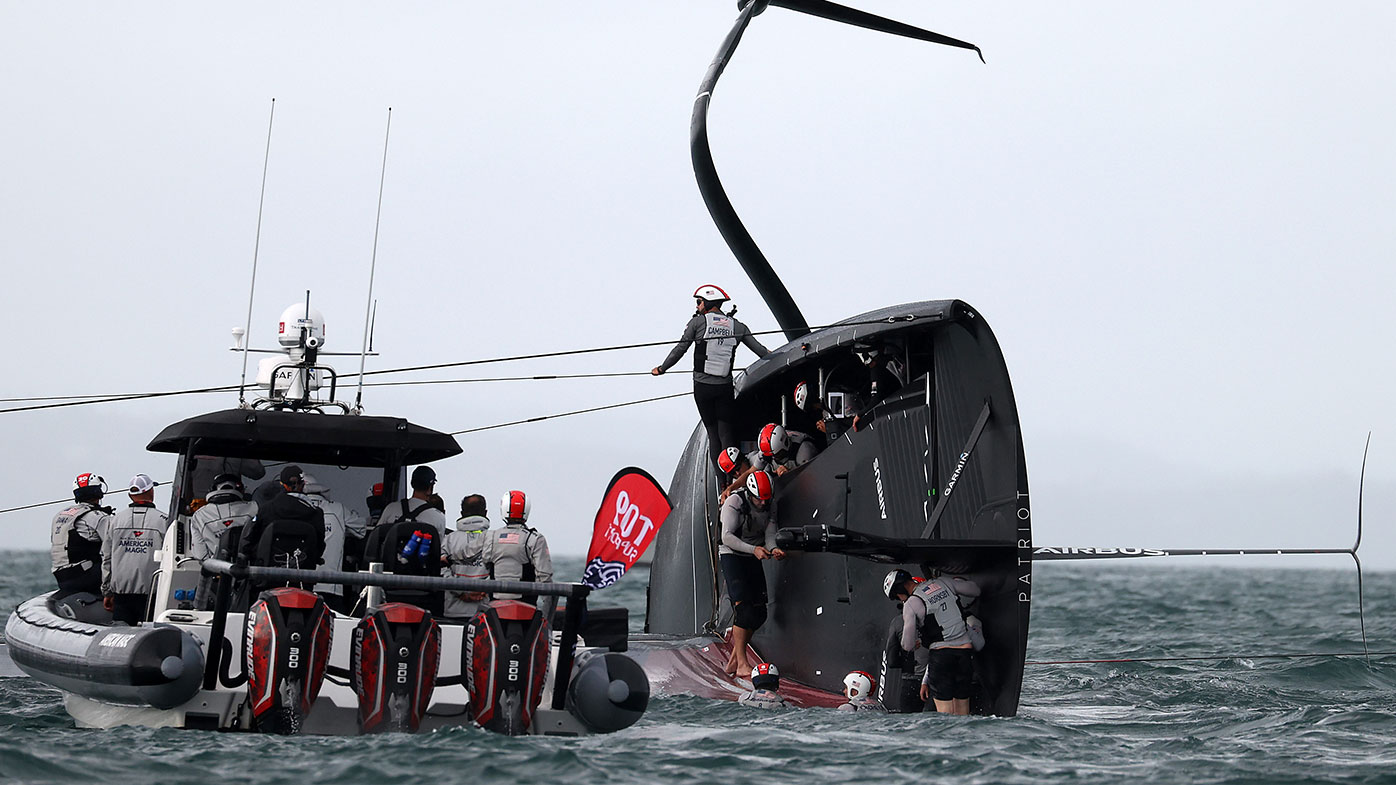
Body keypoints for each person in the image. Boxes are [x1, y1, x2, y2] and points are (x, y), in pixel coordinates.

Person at [652, 284, 770, 471]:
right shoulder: (738, 326)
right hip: (724, 388)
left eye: (699, 302)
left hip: (702, 387)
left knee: (713, 434)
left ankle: (721, 480)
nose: (697, 306)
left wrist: (662, 368)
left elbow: (680, 349)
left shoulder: (697, 323)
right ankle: (734, 474)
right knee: (726, 434)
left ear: (708, 302)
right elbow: (762, 352)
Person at [883, 568, 982, 715]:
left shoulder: (911, 603)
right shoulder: (943, 582)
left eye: (897, 596)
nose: (900, 599)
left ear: (899, 590)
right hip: (965, 654)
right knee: (963, 710)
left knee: (945, 713)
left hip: (941, 656)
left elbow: (907, 645)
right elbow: (975, 590)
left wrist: (915, 642)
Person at [718, 470, 784, 677]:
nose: (763, 504)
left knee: (759, 613)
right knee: (744, 610)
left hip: (753, 553)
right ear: (749, 493)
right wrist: (753, 549)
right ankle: (741, 663)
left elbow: (770, 533)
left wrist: (774, 548)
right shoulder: (734, 503)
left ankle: (733, 661)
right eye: (758, 500)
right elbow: (726, 537)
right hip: (732, 554)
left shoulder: (770, 504)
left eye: (766, 499)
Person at [101, 474, 167, 624]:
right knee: (150, 634)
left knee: (121, 633)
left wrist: (107, 592)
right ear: (151, 491)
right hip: (153, 595)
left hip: (121, 594)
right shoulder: (165, 521)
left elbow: (106, 558)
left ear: (130, 495)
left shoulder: (114, 520)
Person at [239, 465, 326, 572]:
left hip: (266, 574)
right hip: (303, 575)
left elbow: (250, 540)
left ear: (282, 485)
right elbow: (319, 548)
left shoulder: (266, 509)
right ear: (303, 484)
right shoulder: (316, 513)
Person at [302, 473, 366, 613]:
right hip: (330, 587)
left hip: (298, 586)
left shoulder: (293, 509)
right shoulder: (338, 509)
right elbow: (362, 530)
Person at [51, 472, 113, 598]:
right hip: (84, 579)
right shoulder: (99, 517)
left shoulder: (60, 514)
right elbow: (114, 546)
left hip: (61, 578)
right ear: (99, 492)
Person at [484, 490, 553, 602]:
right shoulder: (535, 538)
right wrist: (548, 607)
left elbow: (483, 567)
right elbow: (544, 575)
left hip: (494, 603)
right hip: (526, 604)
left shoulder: (491, 537)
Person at [721, 423, 817, 500]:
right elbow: (751, 471)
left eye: (777, 455)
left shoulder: (804, 450)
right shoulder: (767, 451)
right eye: (771, 456)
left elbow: (809, 480)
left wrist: (790, 472)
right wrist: (731, 488)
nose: (774, 458)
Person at [441, 493, 492, 620]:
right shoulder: (493, 539)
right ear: (485, 513)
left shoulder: (449, 539)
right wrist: (482, 590)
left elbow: (441, 570)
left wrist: (462, 592)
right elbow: (498, 571)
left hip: (453, 612)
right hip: (483, 612)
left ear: (462, 513)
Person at [188, 473, 257, 562]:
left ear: (212, 489)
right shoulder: (254, 508)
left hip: (219, 568)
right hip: (254, 567)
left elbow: (200, 555)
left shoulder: (199, 516)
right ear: (240, 489)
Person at [850, 339, 906, 432]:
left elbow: (876, 399)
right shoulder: (889, 360)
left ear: (866, 356)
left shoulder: (877, 371)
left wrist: (860, 415)